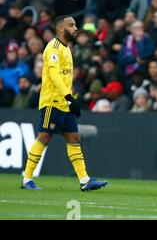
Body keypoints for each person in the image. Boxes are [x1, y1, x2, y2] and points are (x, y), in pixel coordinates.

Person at [21, 15, 108, 191]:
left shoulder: (67, 49)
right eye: (71, 25)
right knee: (44, 137)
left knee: (74, 138)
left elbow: (65, 78)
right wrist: (69, 97)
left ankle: (84, 180)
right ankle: (27, 179)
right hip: (52, 101)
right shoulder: (52, 48)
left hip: (65, 102)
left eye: (75, 24)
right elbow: (54, 76)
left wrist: (70, 98)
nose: (76, 28)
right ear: (61, 28)